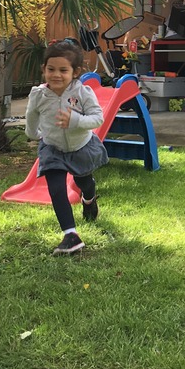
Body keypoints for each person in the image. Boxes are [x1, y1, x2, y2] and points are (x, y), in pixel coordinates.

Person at [25, 39, 108, 255]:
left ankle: (88, 199)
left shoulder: (82, 92)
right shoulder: (39, 95)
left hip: (80, 146)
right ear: (44, 69)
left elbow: (97, 118)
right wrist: (33, 134)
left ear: (75, 71)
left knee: (84, 182)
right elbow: (31, 116)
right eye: (51, 69)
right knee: (57, 189)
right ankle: (70, 235)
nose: (56, 75)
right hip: (52, 148)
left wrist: (76, 121)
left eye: (63, 70)